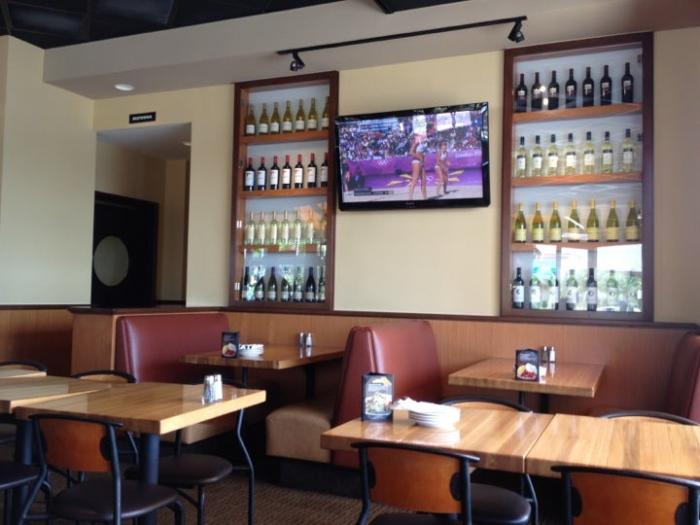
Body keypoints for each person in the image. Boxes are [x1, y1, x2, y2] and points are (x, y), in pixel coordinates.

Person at [407, 135, 427, 200]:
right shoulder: (416, 142)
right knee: (415, 180)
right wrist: (420, 158)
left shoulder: (422, 142)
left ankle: (425, 198)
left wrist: (422, 159)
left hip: (421, 162)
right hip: (416, 162)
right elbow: (410, 152)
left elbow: (422, 153)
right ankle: (410, 199)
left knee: (423, 181)